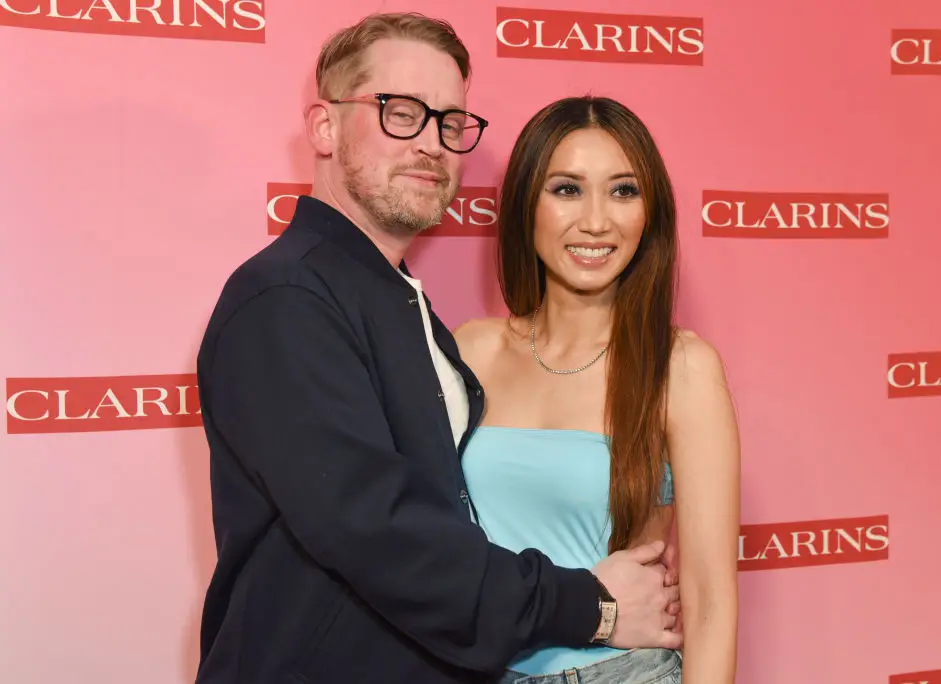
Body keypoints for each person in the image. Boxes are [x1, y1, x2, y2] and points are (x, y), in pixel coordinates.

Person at [192, 13, 683, 684]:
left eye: (450, 123)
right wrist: (590, 604)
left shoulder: (399, 303)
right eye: (400, 112)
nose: (431, 143)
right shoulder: (286, 299)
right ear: (325, 127)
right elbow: (384, 533)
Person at [453, 95, 741, 683]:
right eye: (566, 189)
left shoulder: (680, 368)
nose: (596, 221)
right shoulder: (470, 351)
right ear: (525, 205)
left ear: (649, 213)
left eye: (623, 191)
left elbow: (711, 602)